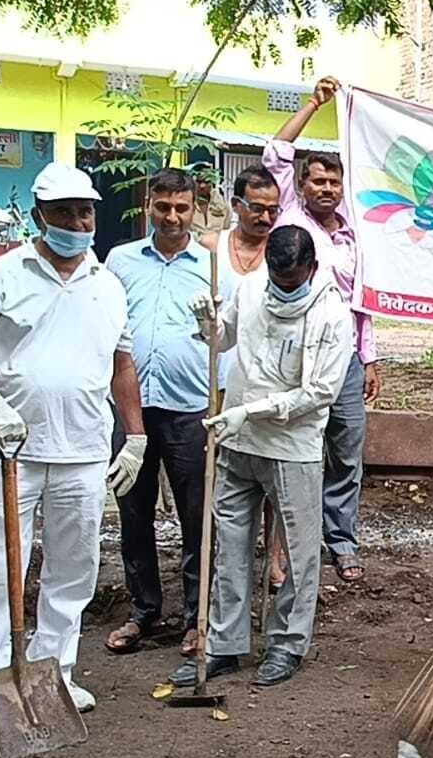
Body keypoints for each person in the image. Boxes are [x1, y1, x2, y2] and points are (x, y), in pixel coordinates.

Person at [0, 162, 147, 735]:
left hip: (81, 449)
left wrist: (134, 436)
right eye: (63, 213)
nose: (77, 222)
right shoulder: (4, 274)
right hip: (10, 451)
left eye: (84, 212)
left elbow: (121, 363)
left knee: (73, 569)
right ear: (40, 217)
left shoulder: (107, 284)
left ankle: (56, 670)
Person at [170, 225, 352, 689]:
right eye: (277, 277)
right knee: (227, 546)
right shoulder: (251, 288)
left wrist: (251, 410)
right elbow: (223, 339)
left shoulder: (332, 313)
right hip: (236, 440)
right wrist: (207, 322)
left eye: (292, 282)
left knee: (299, 549)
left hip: (293, 447)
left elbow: (319, 392)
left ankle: (288, 643)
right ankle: (225, 644)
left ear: (311, 269)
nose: (283, 288)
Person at [264, 76, 379, 584]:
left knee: (346, 450)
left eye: (334, 181)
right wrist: (314, 104)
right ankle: (287, 544)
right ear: (303, 186)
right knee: (295, 449)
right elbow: (277, 150)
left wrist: (369, 358)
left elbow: (363, 301)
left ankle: (342, 541)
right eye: (318, 181)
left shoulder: (355, 230)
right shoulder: (290, 215)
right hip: (296, 354)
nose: (326, 189)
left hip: (347, 361)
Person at [100, 168, 216, 657]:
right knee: (133, 512)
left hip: (189, 408)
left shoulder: (211, 264)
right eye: (163, 206)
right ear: (148, 204)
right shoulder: (120, 260)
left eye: (181, 208)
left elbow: (223, 335)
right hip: (130, 411)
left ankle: (196, 617)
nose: (171, 217)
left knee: (196, 516)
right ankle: (144, 611)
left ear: (195, 209)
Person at [200, 165, 290, 590]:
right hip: (214, 377)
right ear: (236, 206)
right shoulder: (210, 247)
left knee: (272, 475)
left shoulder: (283, 254)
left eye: (274, 209)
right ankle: (225, 557)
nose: (266, 218)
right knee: (222, 476)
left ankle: (273, 556)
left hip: (265, 383)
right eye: (257, 208)